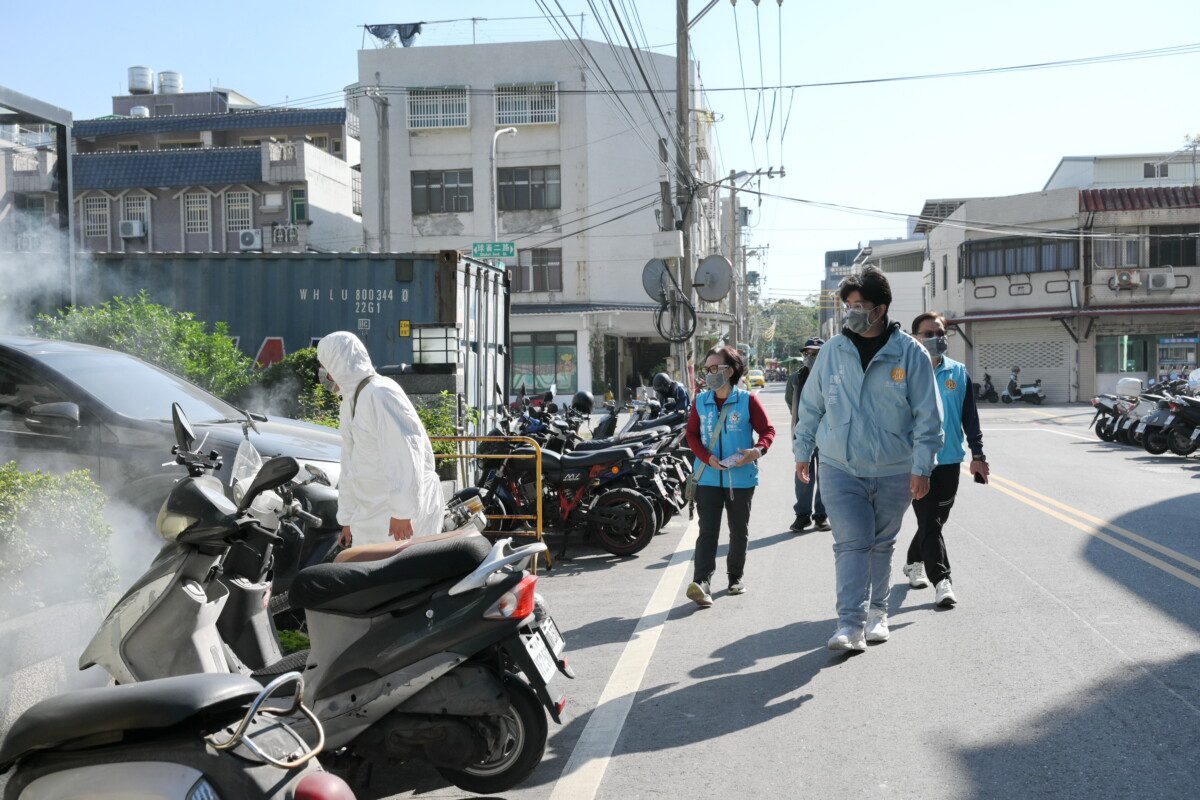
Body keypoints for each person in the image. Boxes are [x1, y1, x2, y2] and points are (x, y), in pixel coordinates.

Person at [793, 267, 943, 651]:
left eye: (859, 305)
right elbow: (809, 406)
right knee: (852, 543)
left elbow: (929, 416)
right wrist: (802, 451)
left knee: (881, 543)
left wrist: (921, 467)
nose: (851, 312)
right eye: (848, 305)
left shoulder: (911, 353)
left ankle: (878, 613)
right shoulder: (833, 351)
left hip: (895, 469)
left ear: (881, 308)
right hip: (841, 465)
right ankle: (850, 624)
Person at [316, 331, 445, 548]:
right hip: (372, 515)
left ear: (339, 363)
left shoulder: (381, 393)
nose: (325, 374)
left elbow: (404, 453)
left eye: (326, 366)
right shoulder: (351, 401)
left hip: (395, 518)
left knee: (401, 577)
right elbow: (349, 465)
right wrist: (347, 520)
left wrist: (403, 512)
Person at [902, 312, 989, 609]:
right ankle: (942, 581)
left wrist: (978, 455)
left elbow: (970, 419)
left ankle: (914, 560)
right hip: (917, 462)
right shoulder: (903, 372)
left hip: (950, 459)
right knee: (929, 520)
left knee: (936, 521)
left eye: (939, 333)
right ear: (914, 337)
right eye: (927, 333)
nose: (935, 338)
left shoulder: (958, 372)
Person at [684, 345, 776, 607]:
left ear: (732, 370)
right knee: (707, 531)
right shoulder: (700, 401)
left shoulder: (747, 400)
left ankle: (735, 577)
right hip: (708, 478)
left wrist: (757, 451)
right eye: (708, 369)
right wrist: (706, 457)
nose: (710, 373)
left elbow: (767, 431)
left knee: (739, 531)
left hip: (741, 479)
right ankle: (702, 582)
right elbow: (691, 435)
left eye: (716, 368)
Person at [784, 338, 828, 532]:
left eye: (815, 353)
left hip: (828, 435)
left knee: (826, 476)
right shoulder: (796, 378)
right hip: (804, 434)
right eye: (807, 353)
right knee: (803, 475)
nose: (810, 357)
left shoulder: (832, 375)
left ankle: (821, 516)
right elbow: (790, 401)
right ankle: (802, 515)